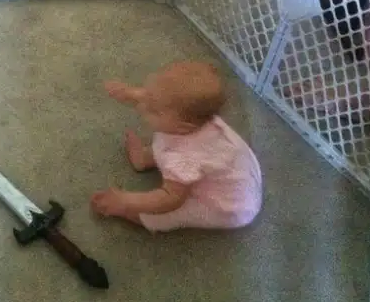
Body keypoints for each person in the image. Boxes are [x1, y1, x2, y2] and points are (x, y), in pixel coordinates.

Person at [90, 61, 262, 232]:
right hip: (237, 171)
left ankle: (127, 211)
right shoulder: (194, 119)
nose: (143, 108)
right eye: (149, 96)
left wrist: (126, 200)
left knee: (167, 215)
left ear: (183, 126)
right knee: (164, 141)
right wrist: (133, 94)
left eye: (153, 109)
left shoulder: (183, 158)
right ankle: (143, 159)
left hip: (230, 205)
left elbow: (169, 200)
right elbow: (162, 99)